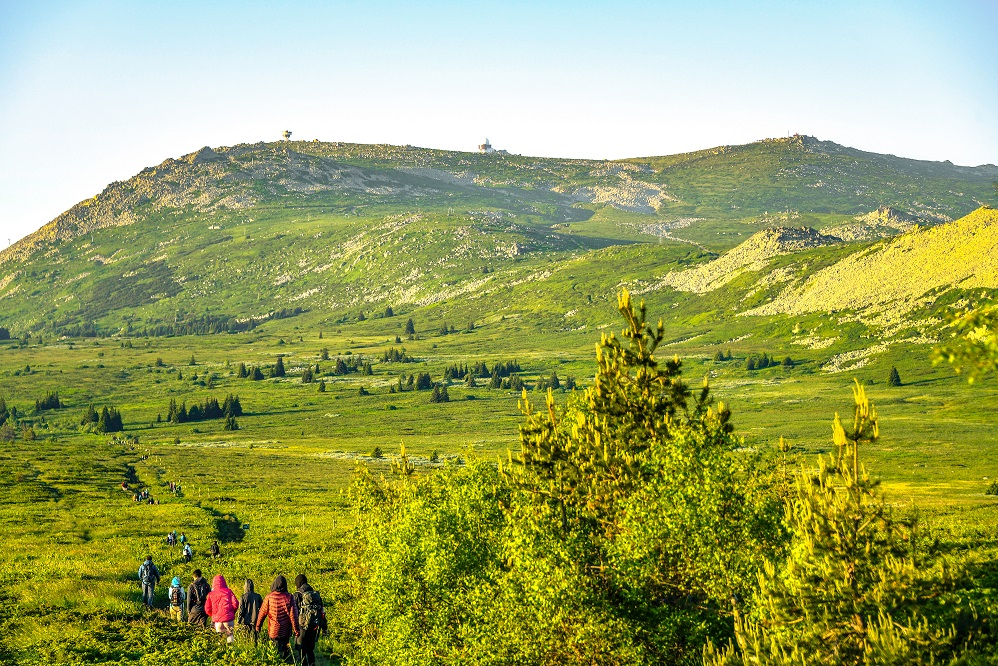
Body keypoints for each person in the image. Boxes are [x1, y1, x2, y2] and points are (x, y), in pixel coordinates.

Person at [256, 575, 299, 663]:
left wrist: (258, 626)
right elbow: (294, 616)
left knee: (274, 653)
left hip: (273, 631)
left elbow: (262, 613)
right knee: (284, 653)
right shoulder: (290, 597)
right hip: (285, 632)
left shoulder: (269, 597)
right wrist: (296, 630)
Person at [293, 574, 327, 666]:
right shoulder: (316, 595)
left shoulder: (297, 595)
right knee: (310, 650)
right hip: (314, 626)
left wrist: (292, 627)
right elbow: (322, 612)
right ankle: (312, 664)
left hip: (302, 626)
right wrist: (324, 628)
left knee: (301, 650)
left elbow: (293, 612)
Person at [205, 574, 239, 644]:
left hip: (217, 621)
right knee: (230, 637)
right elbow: (235, 603)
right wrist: (232, 612)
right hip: (228, 619)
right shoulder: (229, 591)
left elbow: (207, 608)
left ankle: (221, 652)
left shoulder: (211, 594)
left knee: (219, 639)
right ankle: (231, 652)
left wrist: (213, 615)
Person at [237, 579, 263, 646]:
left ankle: (248, 650)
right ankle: (255, 648)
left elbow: (241, 610)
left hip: (245, 620)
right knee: (255, 638)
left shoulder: (243, 597)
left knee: (246, 638)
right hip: (255, 620)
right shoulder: (258, 596)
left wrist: (238, 621)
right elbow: (262, 608)